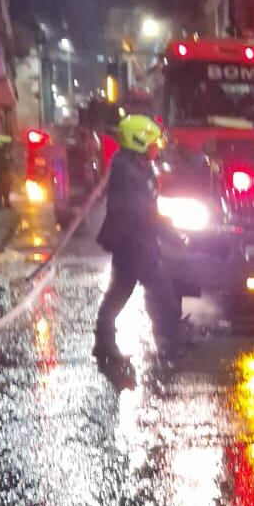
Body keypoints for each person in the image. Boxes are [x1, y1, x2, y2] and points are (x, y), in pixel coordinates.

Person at [93, 113, 182, 367]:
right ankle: (172, 346)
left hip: (130, 242)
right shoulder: (130, 173)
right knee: (164, 295)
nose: (156, 150)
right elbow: (144, 213)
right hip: (135, 244)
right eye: (152, 144)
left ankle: (104, 344)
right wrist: (172, 235)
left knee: (119, 292)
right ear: (138, 142)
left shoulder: (131, 166)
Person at [0, 134, 15, 209]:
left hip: (5, 172)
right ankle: (2, 203)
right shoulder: (0, 153)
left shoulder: (2, 153)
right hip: (2, 172)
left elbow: (11, 161)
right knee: (2, 188)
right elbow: (10, 161)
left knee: (6, 188)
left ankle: (4, 203)